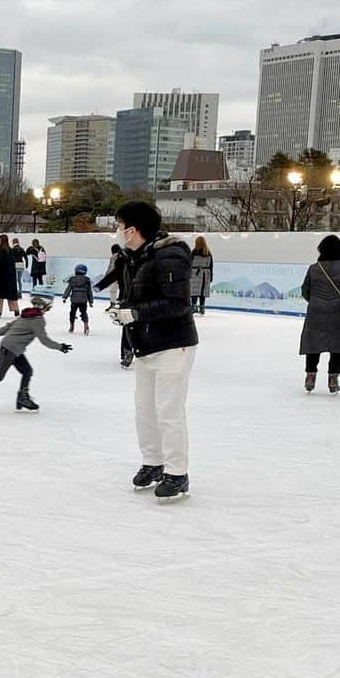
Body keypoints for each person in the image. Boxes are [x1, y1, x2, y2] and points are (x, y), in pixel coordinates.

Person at [107, 201, 197, 502]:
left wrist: (135, 314)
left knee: (168, 411)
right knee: (144, 409)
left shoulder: (170, 254)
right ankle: (153, 462)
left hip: (173, 344)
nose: (118, 232)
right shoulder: (135, 256)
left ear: (133, 229)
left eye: (120, 226)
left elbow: (178, 304)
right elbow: (138, 295)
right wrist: (124, 310)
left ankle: (177, 472)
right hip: (146, 344)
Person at [0, 290, 71, 414]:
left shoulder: (27, 314)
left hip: (13, 348)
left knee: (27, 371)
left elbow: (9, 326)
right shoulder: (37, 319)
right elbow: (44, 340)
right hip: (11, 348)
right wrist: (60, 347)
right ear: (46, 305)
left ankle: (22, 398)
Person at [299, 234, 340, 394]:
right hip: (339, 312)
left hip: (316, 312)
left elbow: (305, 291)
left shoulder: (314, 268)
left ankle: (310, 376)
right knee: (337, 346)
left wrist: (315, 302)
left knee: (313, 344)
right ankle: (333, 379)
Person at [95, 242, 134, 367]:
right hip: (126, 298)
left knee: (135, 326)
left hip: (138, 298)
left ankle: (137, 351)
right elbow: (113, 275)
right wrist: (100, 286)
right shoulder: (121, 262)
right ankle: (127, 353)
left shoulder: (142, 262)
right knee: (128, 325)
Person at [0, 234, 20, 319]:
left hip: (1, 276)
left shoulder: (1, 251)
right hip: (10, 276)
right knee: (11, 293)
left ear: (2, 241)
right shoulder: (10, 250)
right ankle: (16, 310)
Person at [62, 264, 94, 333]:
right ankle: (86, 325)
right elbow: (89, 292)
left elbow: (68, 289)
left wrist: (65, 297)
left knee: (72, 313)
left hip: (74, 300)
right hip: (83, 300)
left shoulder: (72, 279)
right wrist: (91, 301)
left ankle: (71, 326)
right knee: (84, 313)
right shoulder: (87, 280)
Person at [189, 237, 213, 315]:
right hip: (206, 274)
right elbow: (211, 265)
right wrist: (211, 276)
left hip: (196, 273)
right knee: (202, 291)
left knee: (194, 291)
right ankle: (202, 307)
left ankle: (194, 306)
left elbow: (190, 263)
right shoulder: (208, 252)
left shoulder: (194, 252)